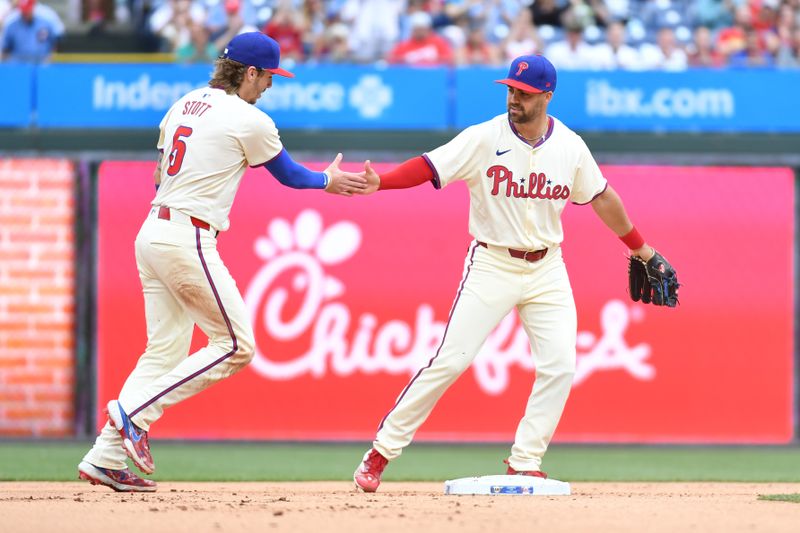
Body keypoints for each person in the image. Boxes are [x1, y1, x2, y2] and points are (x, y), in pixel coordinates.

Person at [352, 54, 676, 492]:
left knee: (560, 364)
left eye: (523, 93)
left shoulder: (570, 146)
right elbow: (430, 166)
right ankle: (380, 453)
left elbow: (601, 197)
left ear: (546, 96)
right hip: (492, 263)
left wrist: (642, 249)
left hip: (548, 268)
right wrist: (383, 182)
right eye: (509, 90)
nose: (513, 99)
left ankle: (525, 462)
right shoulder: (484, 137)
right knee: (450, 360)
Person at [78, 32, 367, 493]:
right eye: (269, 76)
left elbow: (158, 176)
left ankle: (105, 458)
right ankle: (133, 415)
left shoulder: (184, 103)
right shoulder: (247, 117)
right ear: (249, 72)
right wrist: (328, 180)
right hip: (187, 236)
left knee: (164, 352)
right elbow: (291, 176)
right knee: (236, 345)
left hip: (153, 229)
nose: (271, 85)